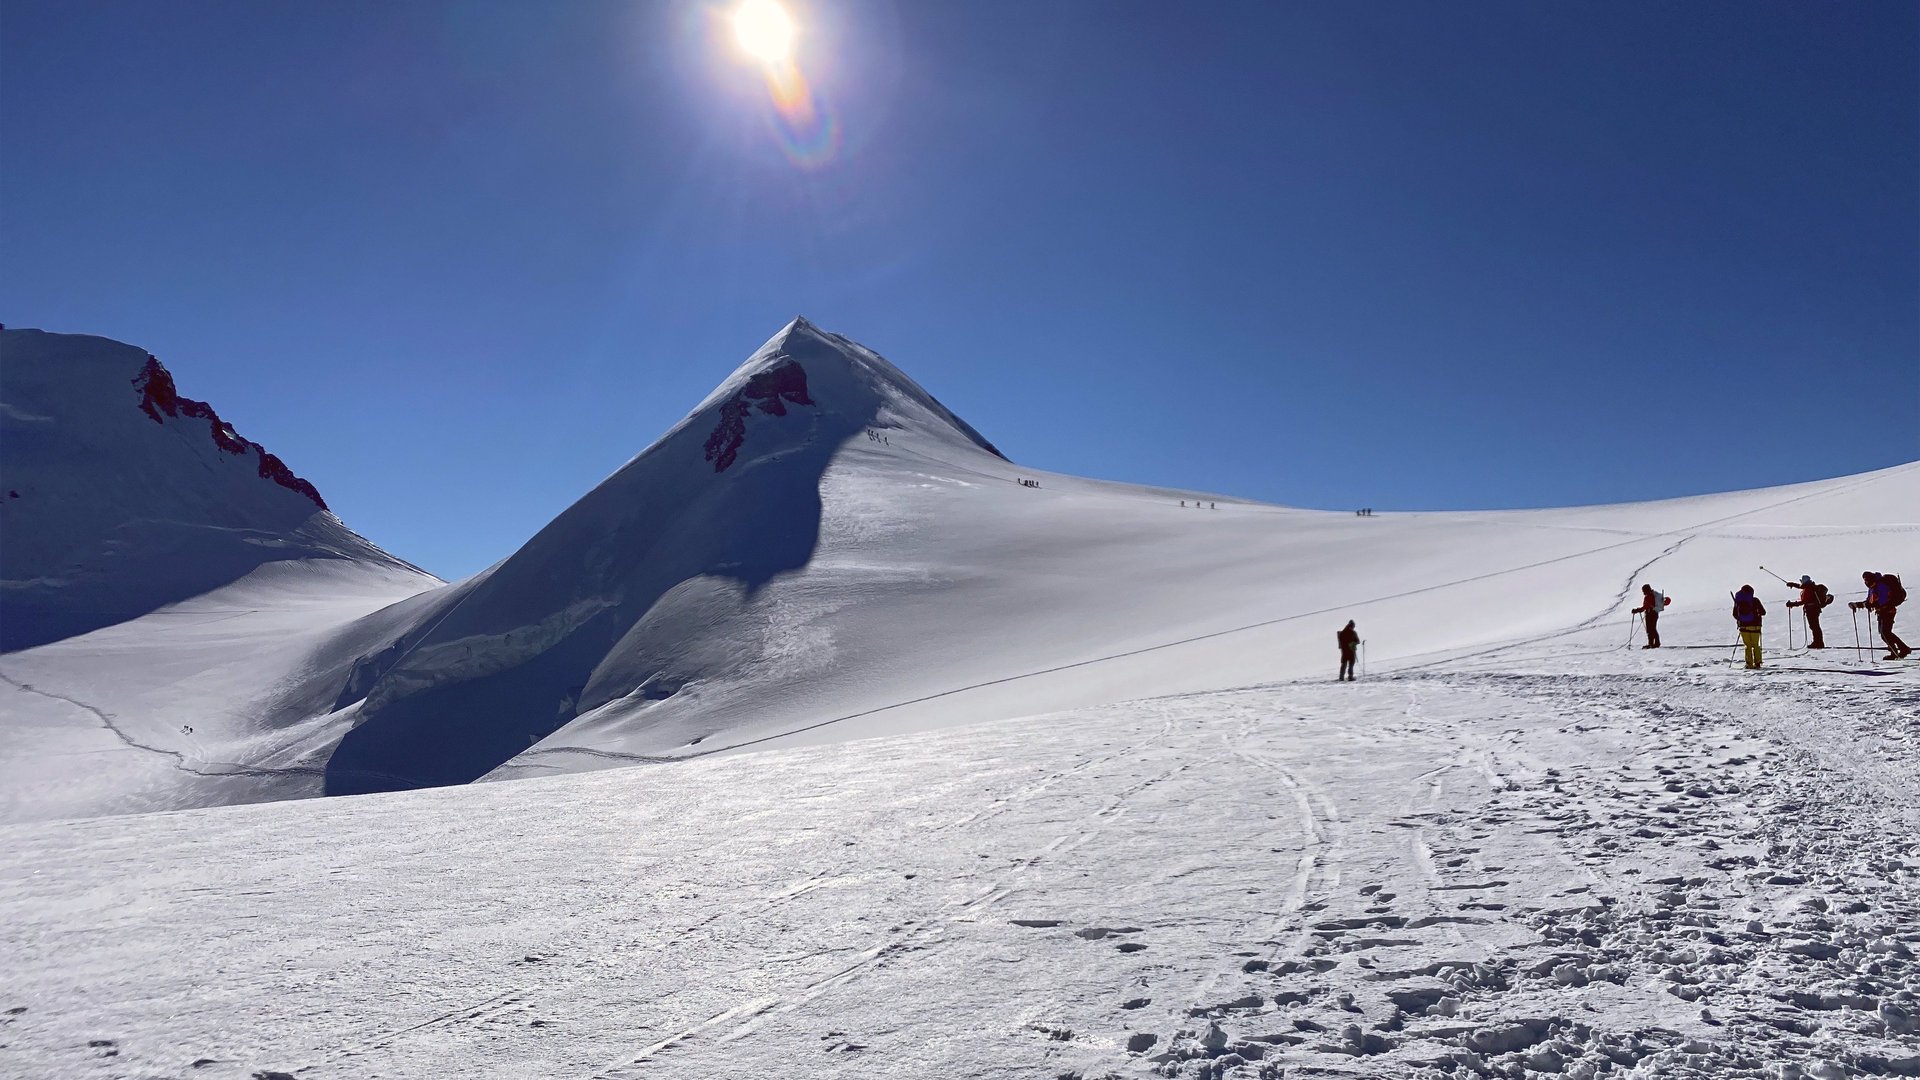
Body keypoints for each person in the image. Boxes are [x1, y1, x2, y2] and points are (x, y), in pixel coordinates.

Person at [1851, 571, 1911, 660]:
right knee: (1884, 633)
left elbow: (1882, 601)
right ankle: (1900, 649)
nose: (1866, 582)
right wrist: (1858, 604)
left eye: (1866, 580)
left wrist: (1868, 605)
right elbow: (1870, 601)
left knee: (1885, 633)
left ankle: (1900, 650)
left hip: (1888, 611)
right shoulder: (1872, 587)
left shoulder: (1881, 585)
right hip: (1882, 612)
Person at [1784, 574, 1829, 649]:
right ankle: (1818, 642)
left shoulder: (1808, 589)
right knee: (1815, 626)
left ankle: (1818, 643)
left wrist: (1793, 604)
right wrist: (1792, 584)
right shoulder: (1811, 586)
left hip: (1811, 610)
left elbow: (1804, 601)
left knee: (1814, 626)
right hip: (1814, 609)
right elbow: (1801, 587)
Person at [1733, 585, 1766, 669]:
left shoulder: (1738, 601)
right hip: (1755, 626)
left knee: (1747, 645)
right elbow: (1763, 612)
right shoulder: (1755, 600)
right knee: (1755, 645)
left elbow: (1735, 614)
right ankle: (1757, 663)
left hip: (1743, 627)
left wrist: (1741, 619)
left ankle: (1749, 664)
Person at [1631, 584, 1668, 648]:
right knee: (1653, 629)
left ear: (1646, 590)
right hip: (1654, 614)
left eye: (1643, 591)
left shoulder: (1648, 597)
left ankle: (1653, 644)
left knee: (1650, 629)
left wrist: (1636, 610)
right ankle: (1654, 643)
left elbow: (1645, 607)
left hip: (1650, 614)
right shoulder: (1653, 595)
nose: (1643, 592)